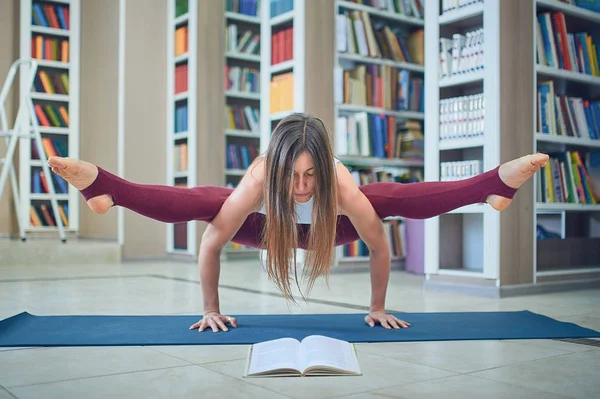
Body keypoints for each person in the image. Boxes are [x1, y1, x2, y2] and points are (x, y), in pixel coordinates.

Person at [48, 113, 549, 333]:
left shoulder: (341, 183)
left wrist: (376, 306)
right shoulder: (259, 176)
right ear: (276, 166)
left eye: (312, 175)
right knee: (207, 200)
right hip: (268, 229)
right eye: (294, 176)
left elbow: (377, 246)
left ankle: (493, 185)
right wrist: (211, 308)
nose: (304, 186)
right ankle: (105, 188)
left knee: (390, 196)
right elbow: (212, 242)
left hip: (336, 229)